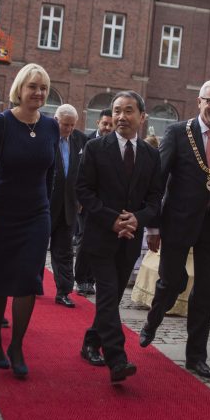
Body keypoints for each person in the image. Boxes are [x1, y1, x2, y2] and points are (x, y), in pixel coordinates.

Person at [139, 80, 210, 380]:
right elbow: (158, 181)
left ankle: (196, 356)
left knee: (205, 293)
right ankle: (153, 320)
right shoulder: (177, 132)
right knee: (172, 282)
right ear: (199, 102)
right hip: (177, 221)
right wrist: (153, 224)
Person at [0, 63, 59, 378]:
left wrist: (46, 209)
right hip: (0, 212)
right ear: (19, 89)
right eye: (32, 86)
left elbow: (51, 174)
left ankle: (17, 346)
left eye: (43, 88)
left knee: (28, 282)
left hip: (36, 215)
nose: (38, 93)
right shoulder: (0, 123)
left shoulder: (51, 126)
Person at [76, 91, 163, 382]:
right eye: (117, 111)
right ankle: (117, 359)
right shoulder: (96, 148)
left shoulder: (151, 155)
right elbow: (84, 191)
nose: (121, 117)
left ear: (142, 116)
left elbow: (155, 198)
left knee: (110, 300)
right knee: (108, 293)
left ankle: (91, 341)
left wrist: (138, 219)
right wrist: (112, 219)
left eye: (128, 111)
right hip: (101, 237)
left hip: (129, 239)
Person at [49, 104, 87, 308]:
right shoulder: (44, 136)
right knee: (36, 249)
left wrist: (80, 199)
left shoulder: (80, 140)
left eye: (73, 125)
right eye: (66, 125)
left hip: (69, 206)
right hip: (44, 205)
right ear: (56, 120)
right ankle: (30, 284)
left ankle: (63, 291)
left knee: (64, 251)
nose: (69, 129)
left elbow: (84, 173)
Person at [75, 109, 115, 296]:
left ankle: (92, 278)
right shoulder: (86, 141)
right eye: (104, 124)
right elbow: (79, 173)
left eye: (110, 124)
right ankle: (82, 278)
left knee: (100, 240)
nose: (107, 127)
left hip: (106, 202)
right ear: (98, 122)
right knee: (85, 237)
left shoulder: (116, 144)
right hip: (87, 200)